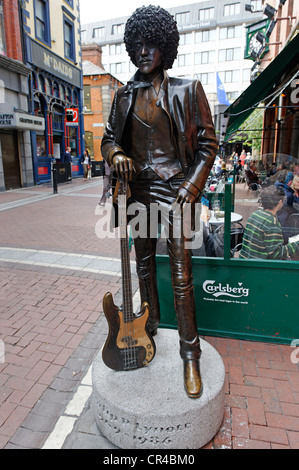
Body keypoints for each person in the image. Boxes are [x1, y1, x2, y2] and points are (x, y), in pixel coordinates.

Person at [101, 5, 217, 398]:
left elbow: (207, 144)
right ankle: (148, 331)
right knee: (144, 268)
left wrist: (192, 186)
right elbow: (109, 139)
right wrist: (115, 154)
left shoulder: (187, 90)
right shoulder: (122, 96)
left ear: (166, 47)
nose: (144, 51)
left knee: (182, 277)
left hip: (176, 191)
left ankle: (190, 355)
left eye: (152, 44)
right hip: (139, 193)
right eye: (138, 45)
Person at [240, 186, 299, 260]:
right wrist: (297, 244)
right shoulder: (271, 222)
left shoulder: (255, 214)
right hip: (261, 267)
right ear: (280, 202)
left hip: (247, 262)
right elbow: (277, 254)